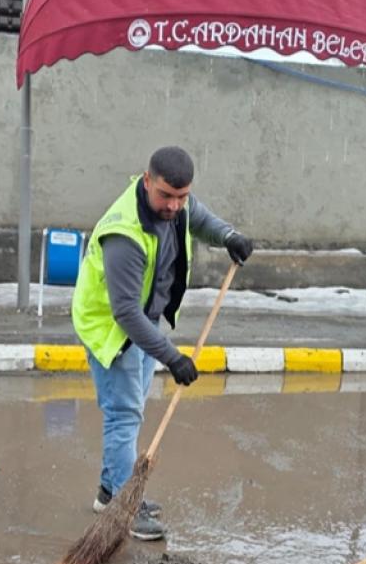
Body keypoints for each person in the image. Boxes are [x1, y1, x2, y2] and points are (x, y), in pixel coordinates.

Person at [72, 146, 254, 540]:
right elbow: (125, 313)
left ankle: (110, 491)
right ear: (146, 179)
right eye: (166, 196)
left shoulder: (177, 204)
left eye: (181, 196)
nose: (174, 206)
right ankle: (123, 506)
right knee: (124, 413)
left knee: (131, 408)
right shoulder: (124, 234)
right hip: (112, 326)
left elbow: (199, 217)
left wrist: (228, 236)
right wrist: (173, 358)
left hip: (144, 319)